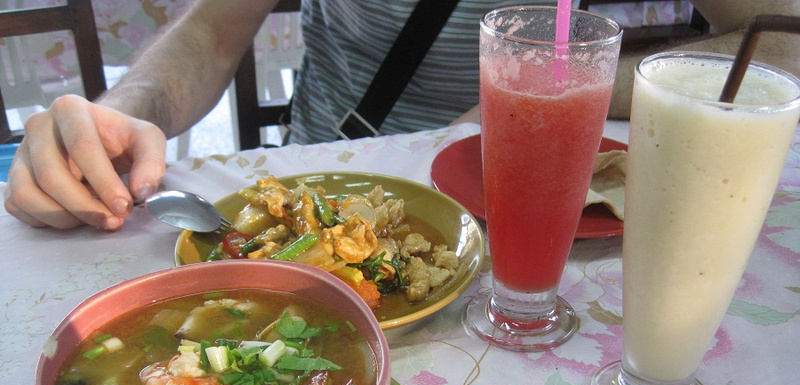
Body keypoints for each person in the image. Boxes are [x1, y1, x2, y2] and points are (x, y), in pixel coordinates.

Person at [4, 0, 799, 231]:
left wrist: (570, 82)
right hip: (318, 191)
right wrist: (121, 114)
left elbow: (782, 43)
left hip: (526, 209)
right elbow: (212, 32)